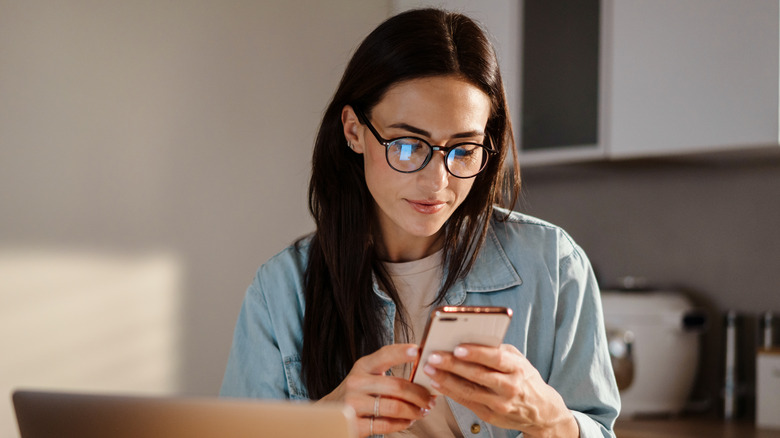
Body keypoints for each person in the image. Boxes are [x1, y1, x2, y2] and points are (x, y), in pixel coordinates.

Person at [220, 8, 620, 438]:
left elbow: (596, 427)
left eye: (463, 149)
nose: (438, 182)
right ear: (354, 130)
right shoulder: (280, 292)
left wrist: (553, 422)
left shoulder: (554, 265)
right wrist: (322, 421)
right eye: (409, 145)